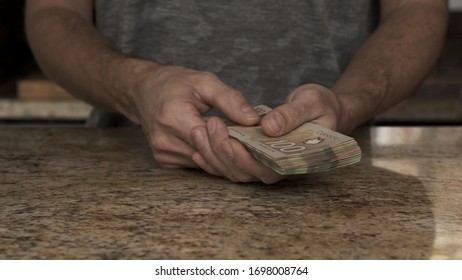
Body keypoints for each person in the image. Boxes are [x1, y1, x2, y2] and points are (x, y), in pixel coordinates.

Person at [25, 0, 448, 184]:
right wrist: (136, 87)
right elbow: (52, 12)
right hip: (125, 173)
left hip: (340, 182)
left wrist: (347, 103)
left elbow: (418, 8)